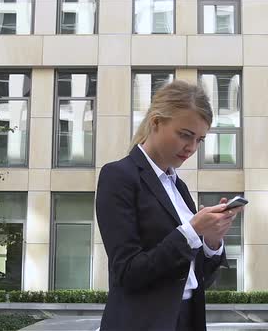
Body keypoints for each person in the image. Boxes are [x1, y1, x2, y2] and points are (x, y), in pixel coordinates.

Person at [96, 80, 245, 331]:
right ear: (156, 122)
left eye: (199, 140)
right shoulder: (118, 176)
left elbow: (195, 280)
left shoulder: (179, 188)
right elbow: (128, 272)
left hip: (186, 319)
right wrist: (191, 231)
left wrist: (211, 241)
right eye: (185, 135)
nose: (191, 148)